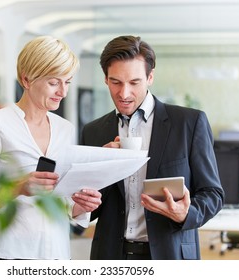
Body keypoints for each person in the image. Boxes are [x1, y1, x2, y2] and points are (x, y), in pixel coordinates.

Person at [81, 35, 224, 260]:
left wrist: (186, 213)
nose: (124, 93)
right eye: (116, 82)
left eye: (134, 82)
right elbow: (89, 208)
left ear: (150, 77)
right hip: (111, 257)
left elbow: (213, 193)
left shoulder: (188, 123)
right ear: (105, 79)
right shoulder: (94, 131)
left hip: (171, 255)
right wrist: (98, 174)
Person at [0, 35, 101, 260]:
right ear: (27, 80)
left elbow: (64, 203)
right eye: (53, 82)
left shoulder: (64, 129)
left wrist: (81, 205)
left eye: (67, 82)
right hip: (7, 253)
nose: (63, 92)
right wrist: (18, 187)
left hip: (56, 253)